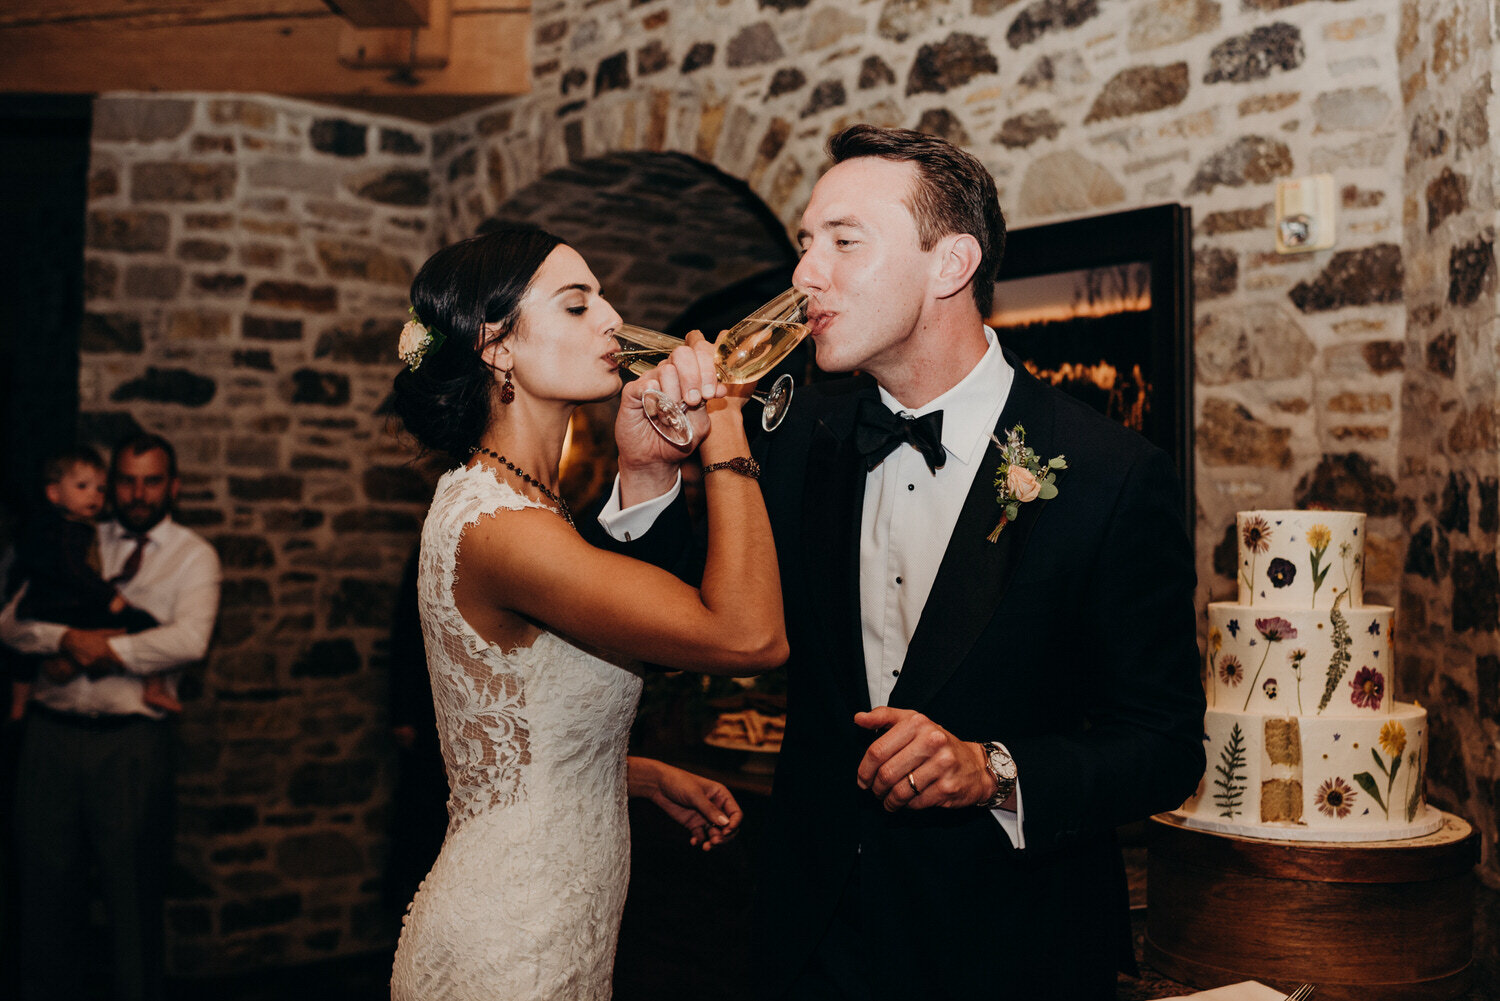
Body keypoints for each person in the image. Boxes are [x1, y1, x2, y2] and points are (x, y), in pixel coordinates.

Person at [599, 125, 1208, 999]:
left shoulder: (1111, 476)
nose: (806, 273)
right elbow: (675, 624)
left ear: (950, 263)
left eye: (844, 242)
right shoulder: (794, 437)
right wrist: (648, 472)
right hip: (809, 937)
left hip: (1011, 945)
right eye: (806, 245)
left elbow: (1162, 745)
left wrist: (991, 768)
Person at [385, 224, 787, 1001]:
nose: (612, 319)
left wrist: (619, 772)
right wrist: (726, 417)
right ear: (496, 346)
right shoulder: (501, 528)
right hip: (512, 945)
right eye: (577, 305)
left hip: (558, 926)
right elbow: (749, 634)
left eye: (603, 296)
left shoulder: (524, 505)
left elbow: (512, 728)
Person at [0, 432, 222, 1001]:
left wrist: (98, 652)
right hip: (49, 738)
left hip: (130, 748)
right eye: (126, 479)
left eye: (151, 480)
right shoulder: (71, 533)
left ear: (172, 486)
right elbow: (12, 625)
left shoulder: (193, 555)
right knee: (43, 896)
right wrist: (68, 636)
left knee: (134, 897)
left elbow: (189, 641)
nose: (137, 492)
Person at [7, 446, 180, 723]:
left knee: (25, 654)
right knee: (142, 621)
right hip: (67, 604)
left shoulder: (49, 527)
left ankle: (19, 704)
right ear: (54, 493)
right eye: (82, 486)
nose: (94, 495)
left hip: (45, 605)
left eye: (100, 489)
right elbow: (74, 572)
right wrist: (110, 596)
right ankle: (154, 687)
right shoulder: (70, 531)